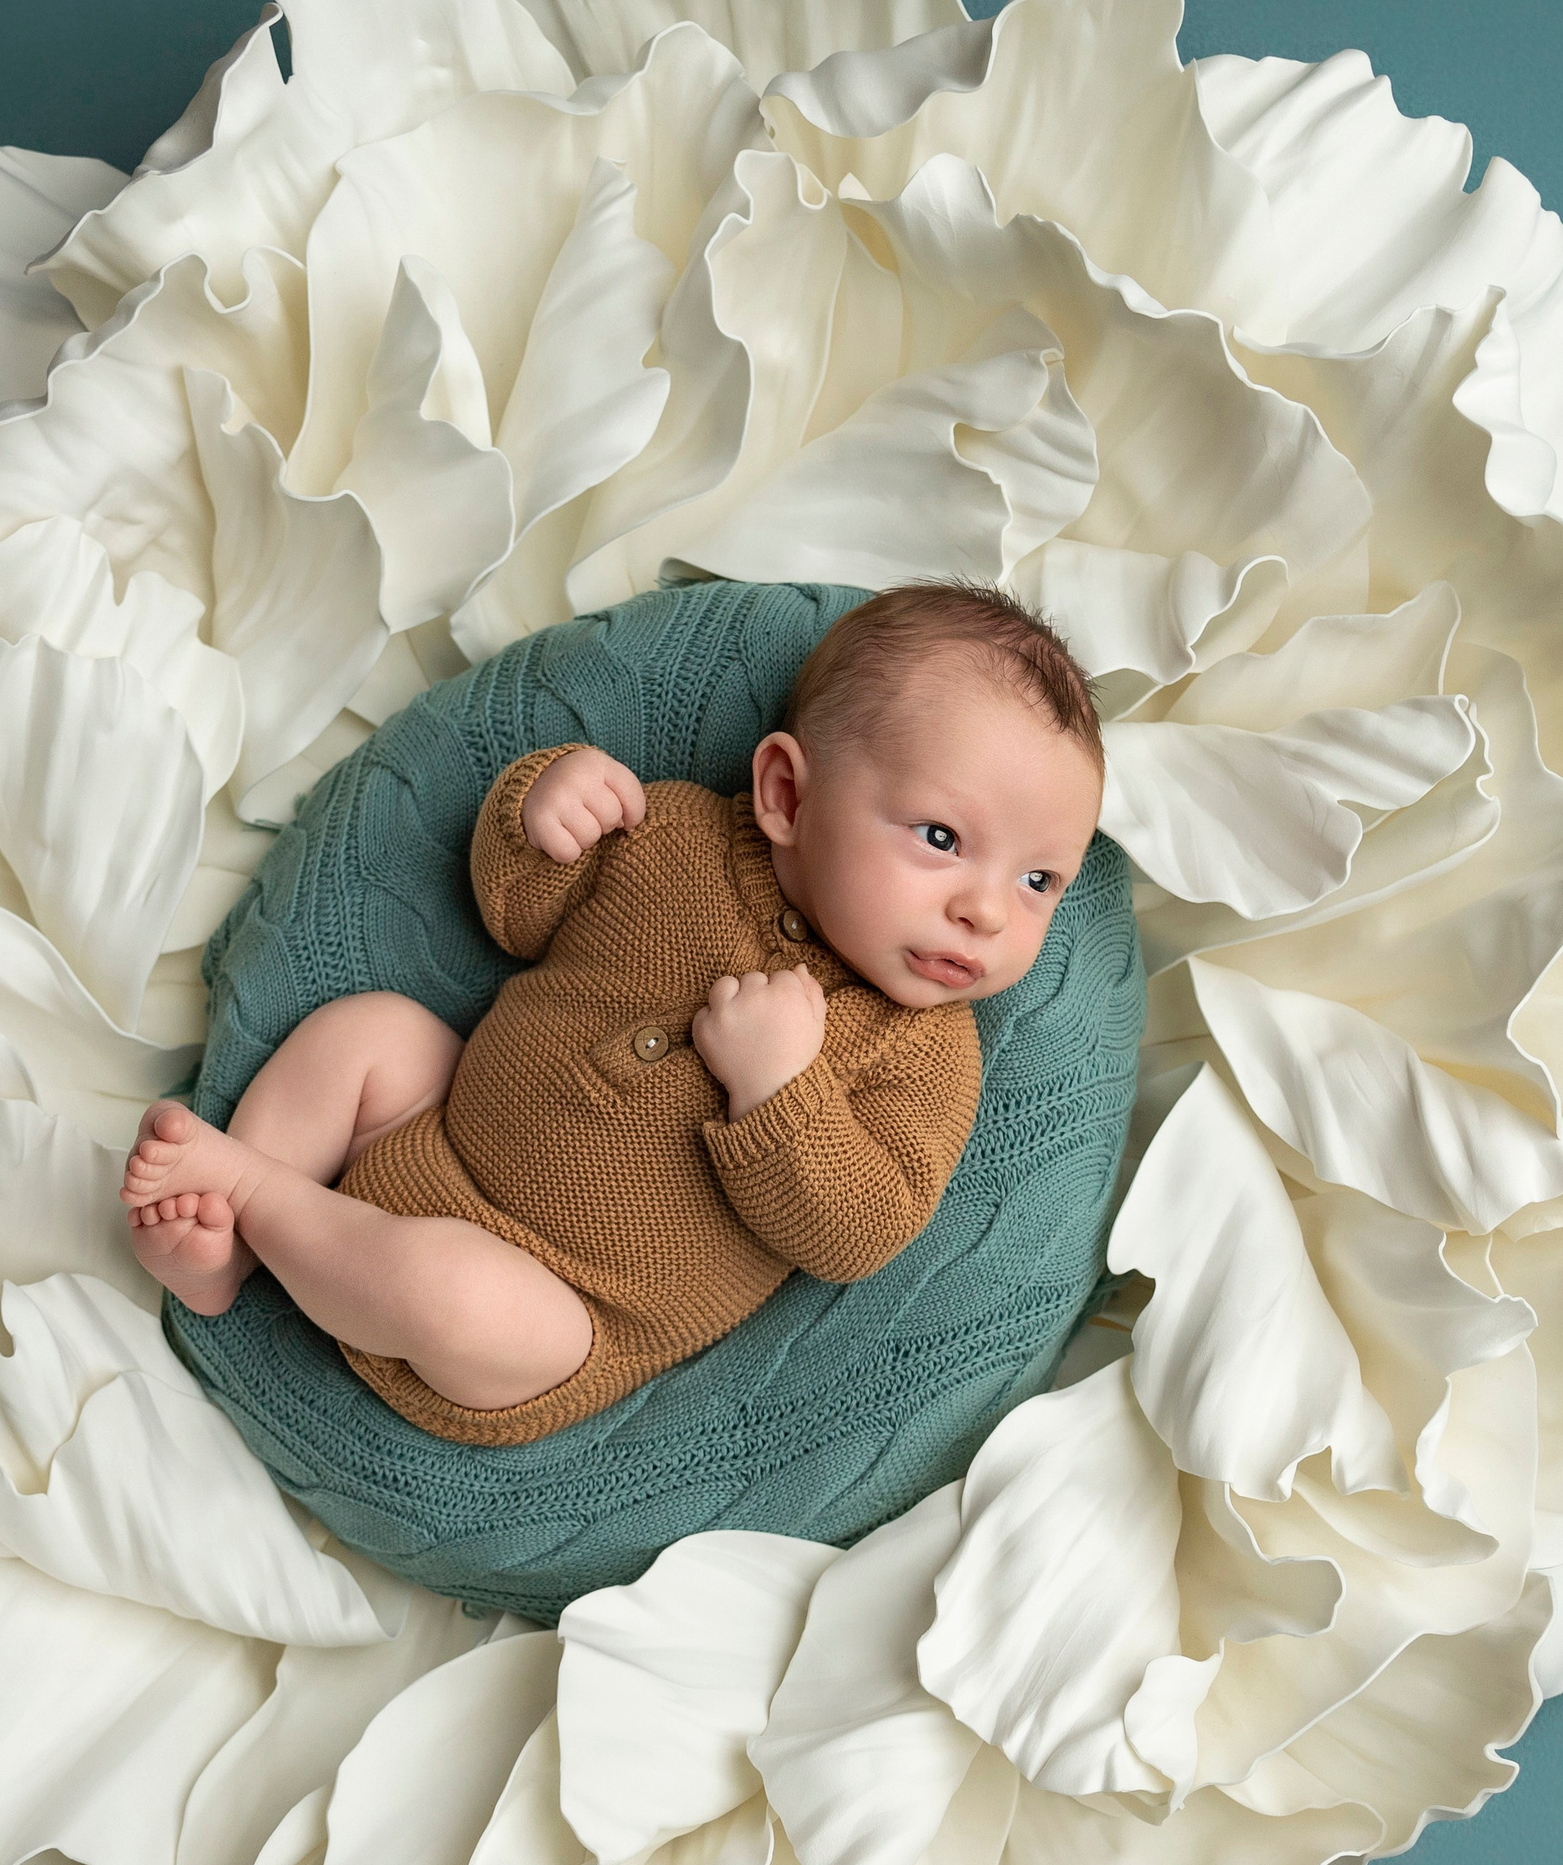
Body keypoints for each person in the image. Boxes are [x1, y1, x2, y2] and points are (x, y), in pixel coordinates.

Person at [122, 582, 1106, 1445]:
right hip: (427, 1130)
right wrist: (541, 817)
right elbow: (517, 919)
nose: (986, 910)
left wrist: (782, 1092)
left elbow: (856, 1234)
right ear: (785, 794)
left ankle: (250, 1191)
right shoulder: (673, 832)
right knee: (369, 1032)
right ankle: (225, 1247)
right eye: (942, 837)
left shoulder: (924, 1056)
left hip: (556, 1321)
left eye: (1037, 879)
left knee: (452, 1295)